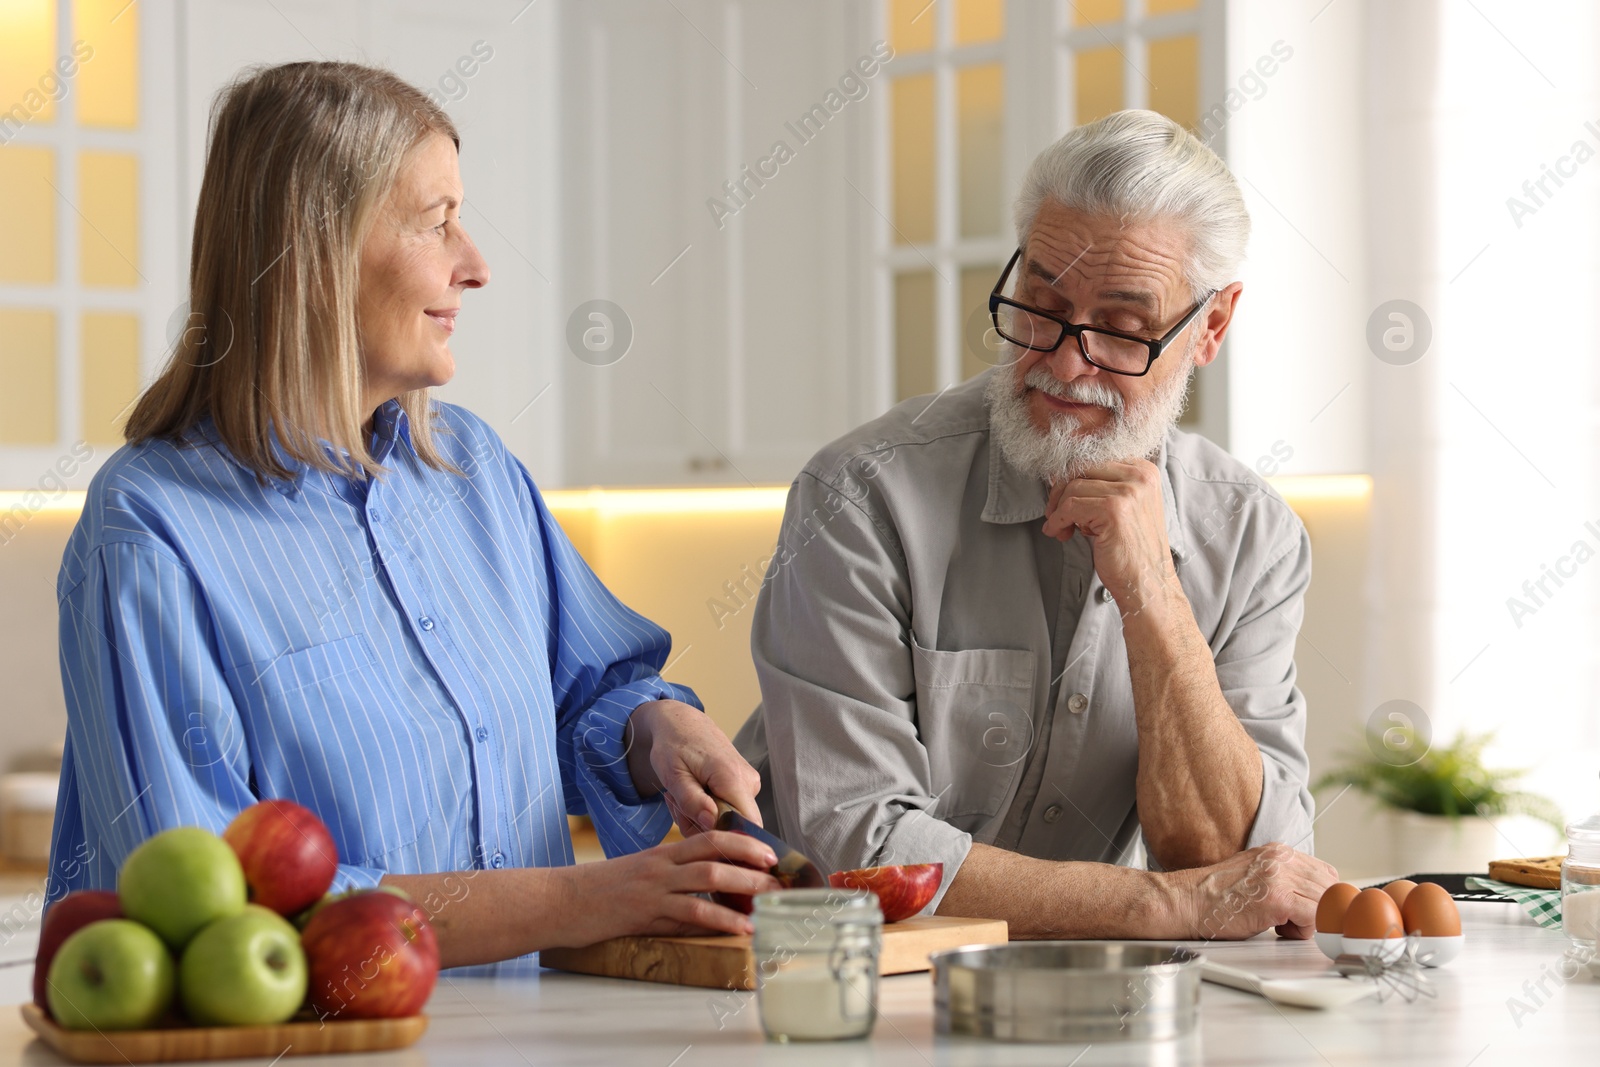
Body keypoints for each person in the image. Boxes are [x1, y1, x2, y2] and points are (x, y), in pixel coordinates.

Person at [48, 61, 778, 973]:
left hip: (543, 1034)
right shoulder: (151, 530)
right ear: (317, 249)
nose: (474, 265)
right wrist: (579, 897)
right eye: (438, 225)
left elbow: (588, 690)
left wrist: (653, 734)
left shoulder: (473, 470)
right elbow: (206, 903)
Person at [736, 110, 1339, 939]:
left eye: (1123, 330)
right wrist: (1164, 905)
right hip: (839, 991)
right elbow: (860, 849)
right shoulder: (859, 497)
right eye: (1040, 305)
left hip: (1087, 1001)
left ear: (1211, 328)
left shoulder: (1252, 539)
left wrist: (1153, 594)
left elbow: (1246, 862)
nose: (1062, 364)